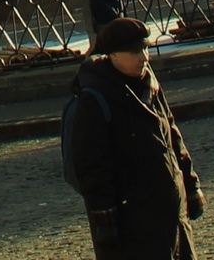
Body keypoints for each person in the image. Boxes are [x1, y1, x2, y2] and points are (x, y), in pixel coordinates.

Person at [68, 16, 205, 258]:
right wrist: (105, 221)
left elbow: (173, 138)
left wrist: (191, 186)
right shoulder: (94, 100)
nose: (143, 57)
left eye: (145, 48)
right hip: (133, 223)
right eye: (135, 51)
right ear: (113, 55)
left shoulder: (150, 84)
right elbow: (93, 168)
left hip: (172, 213)